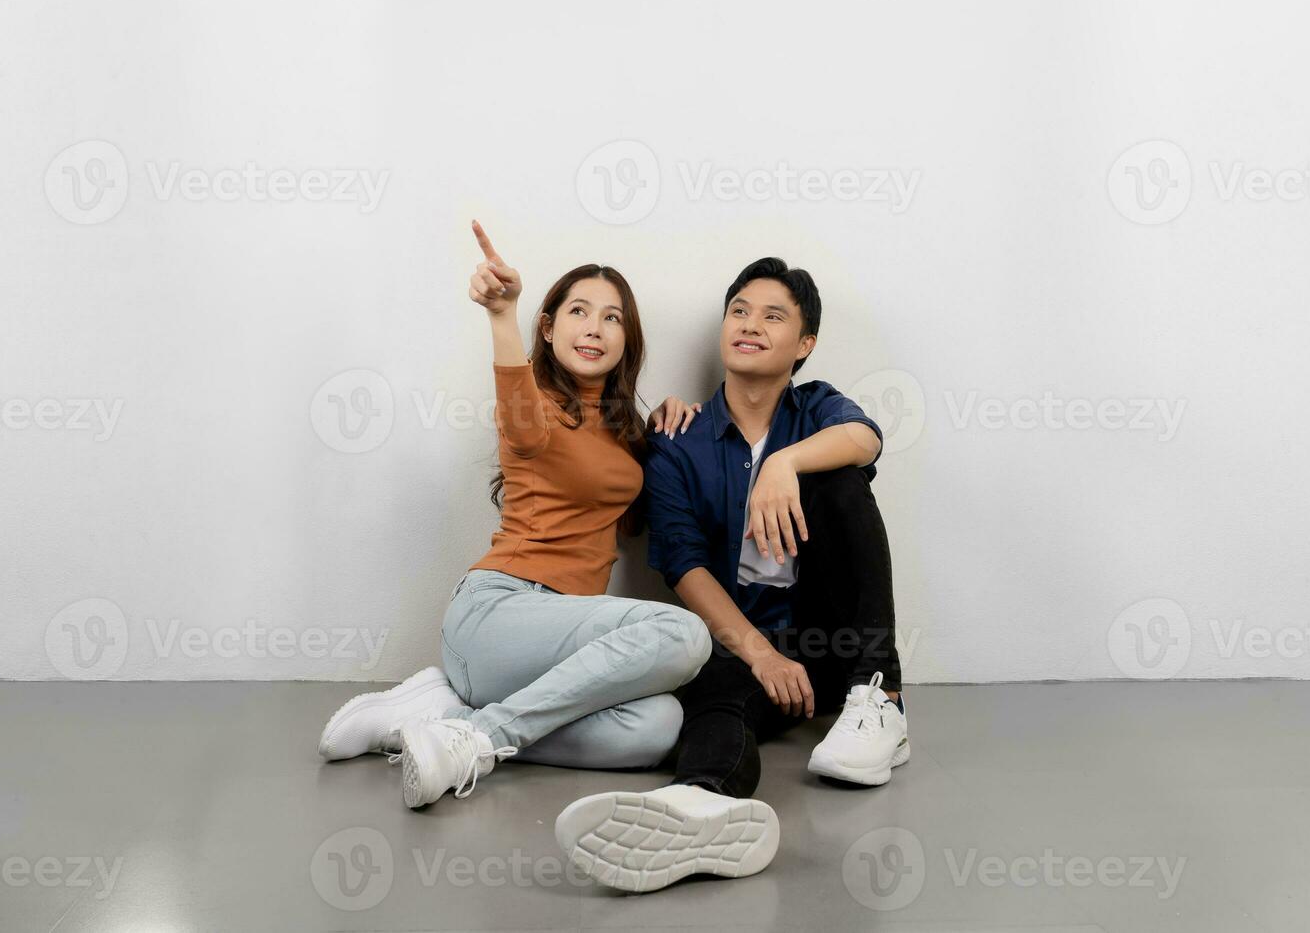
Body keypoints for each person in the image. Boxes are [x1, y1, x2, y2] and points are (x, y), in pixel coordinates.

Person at [317, 221, 712, 811]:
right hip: (500, 611)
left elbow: (632, 508)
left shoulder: (626, 433)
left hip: (550, 651)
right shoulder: (536, 409)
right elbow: (515, 399)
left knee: (658, 725)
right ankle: (477, 740)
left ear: (628, 339)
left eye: (613, 318)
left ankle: (448, 713)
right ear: (549, 328)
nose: (595, 328)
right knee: (684, 634)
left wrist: (676, 428)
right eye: (579, 311)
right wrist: (503, 314)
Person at [555, 257, 908, 893]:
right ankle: (699, 809)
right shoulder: (677, 441)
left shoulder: (815, 409)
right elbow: (682, 564)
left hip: (831, 645)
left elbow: (867, 438)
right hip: (745, 641)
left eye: (774, 316)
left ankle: (881, 698)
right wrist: (760, 656)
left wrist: (785, 464)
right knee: (718, 699)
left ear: (804, 344)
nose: (750, 325)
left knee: (841, 483)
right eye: (739, 311)